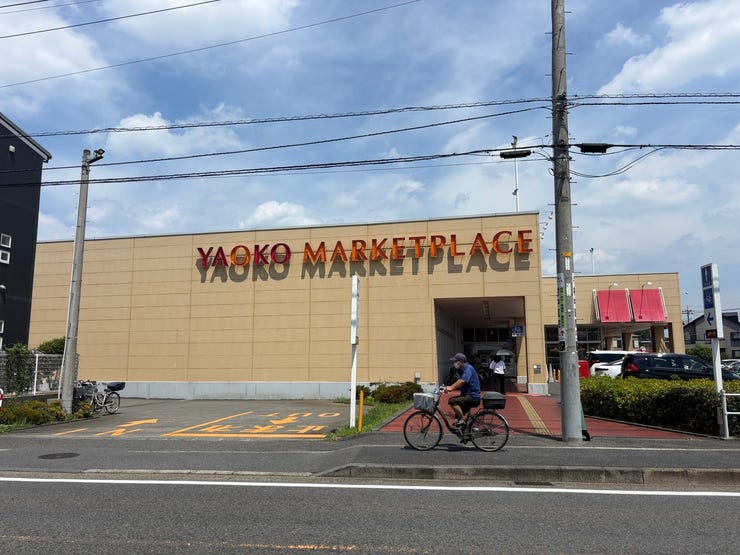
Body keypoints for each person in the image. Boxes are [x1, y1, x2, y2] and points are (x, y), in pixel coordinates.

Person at [443, 353, 481, 428]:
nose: (454, 363)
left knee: (452, 401)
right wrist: (451, 387)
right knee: (457, 414)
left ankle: (462, 420)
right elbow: (460, 382)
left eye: (455, 361)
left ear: (461, 362)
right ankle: (463, 430)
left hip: (472, 397)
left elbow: (462, 381)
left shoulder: (468, 368)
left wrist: (451, 387)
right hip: (467, 395)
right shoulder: (463, 369)